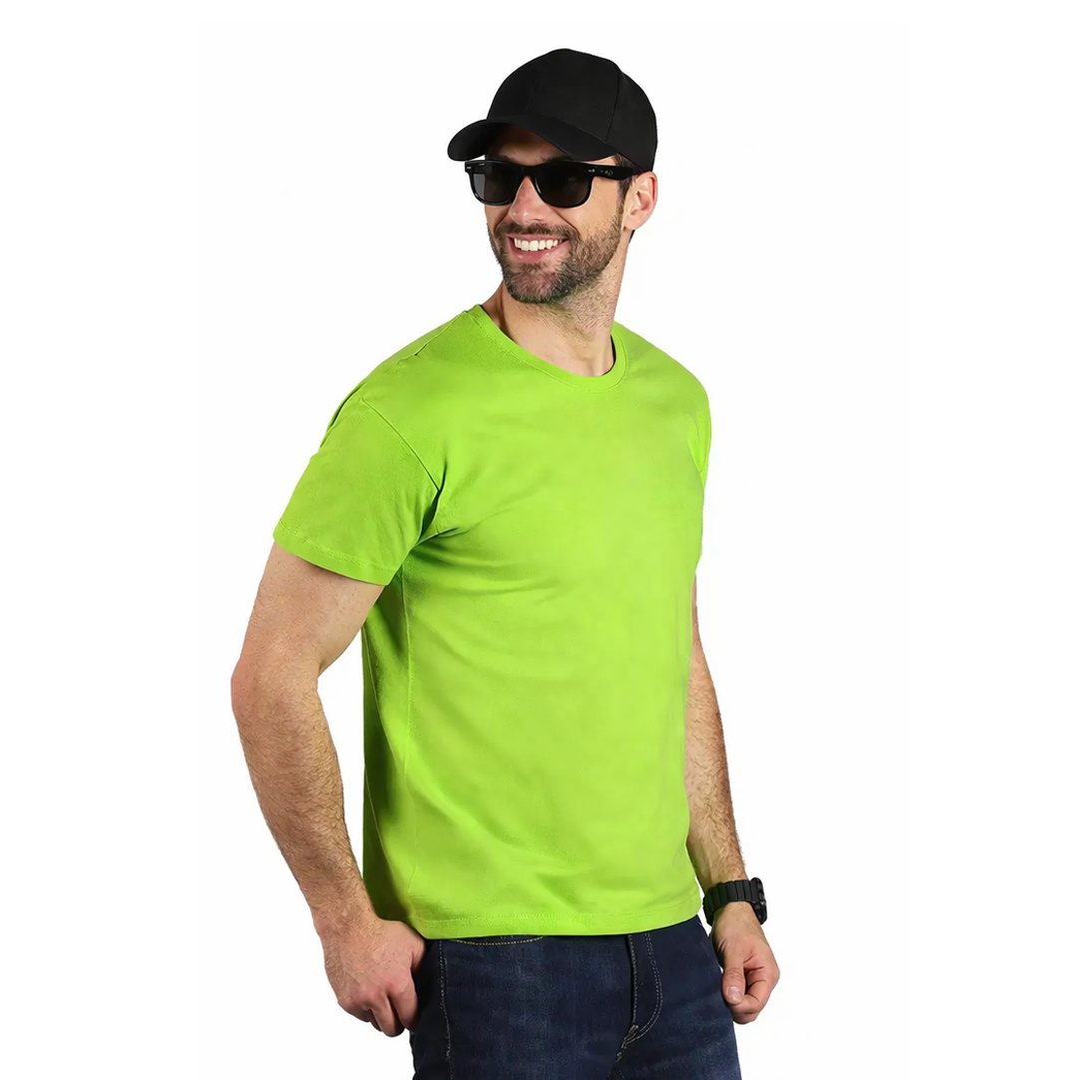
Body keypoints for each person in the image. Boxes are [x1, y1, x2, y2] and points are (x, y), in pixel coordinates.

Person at [230, 47, 779, 1080]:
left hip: (674, 947)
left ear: (640, 198)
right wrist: (343, 919)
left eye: (563, 180)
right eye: (499, 177)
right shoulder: (409, 412)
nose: (524, 207)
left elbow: (675, 654)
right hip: (494, 963)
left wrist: (731, 892)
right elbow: (271, 673)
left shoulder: (676, 405)